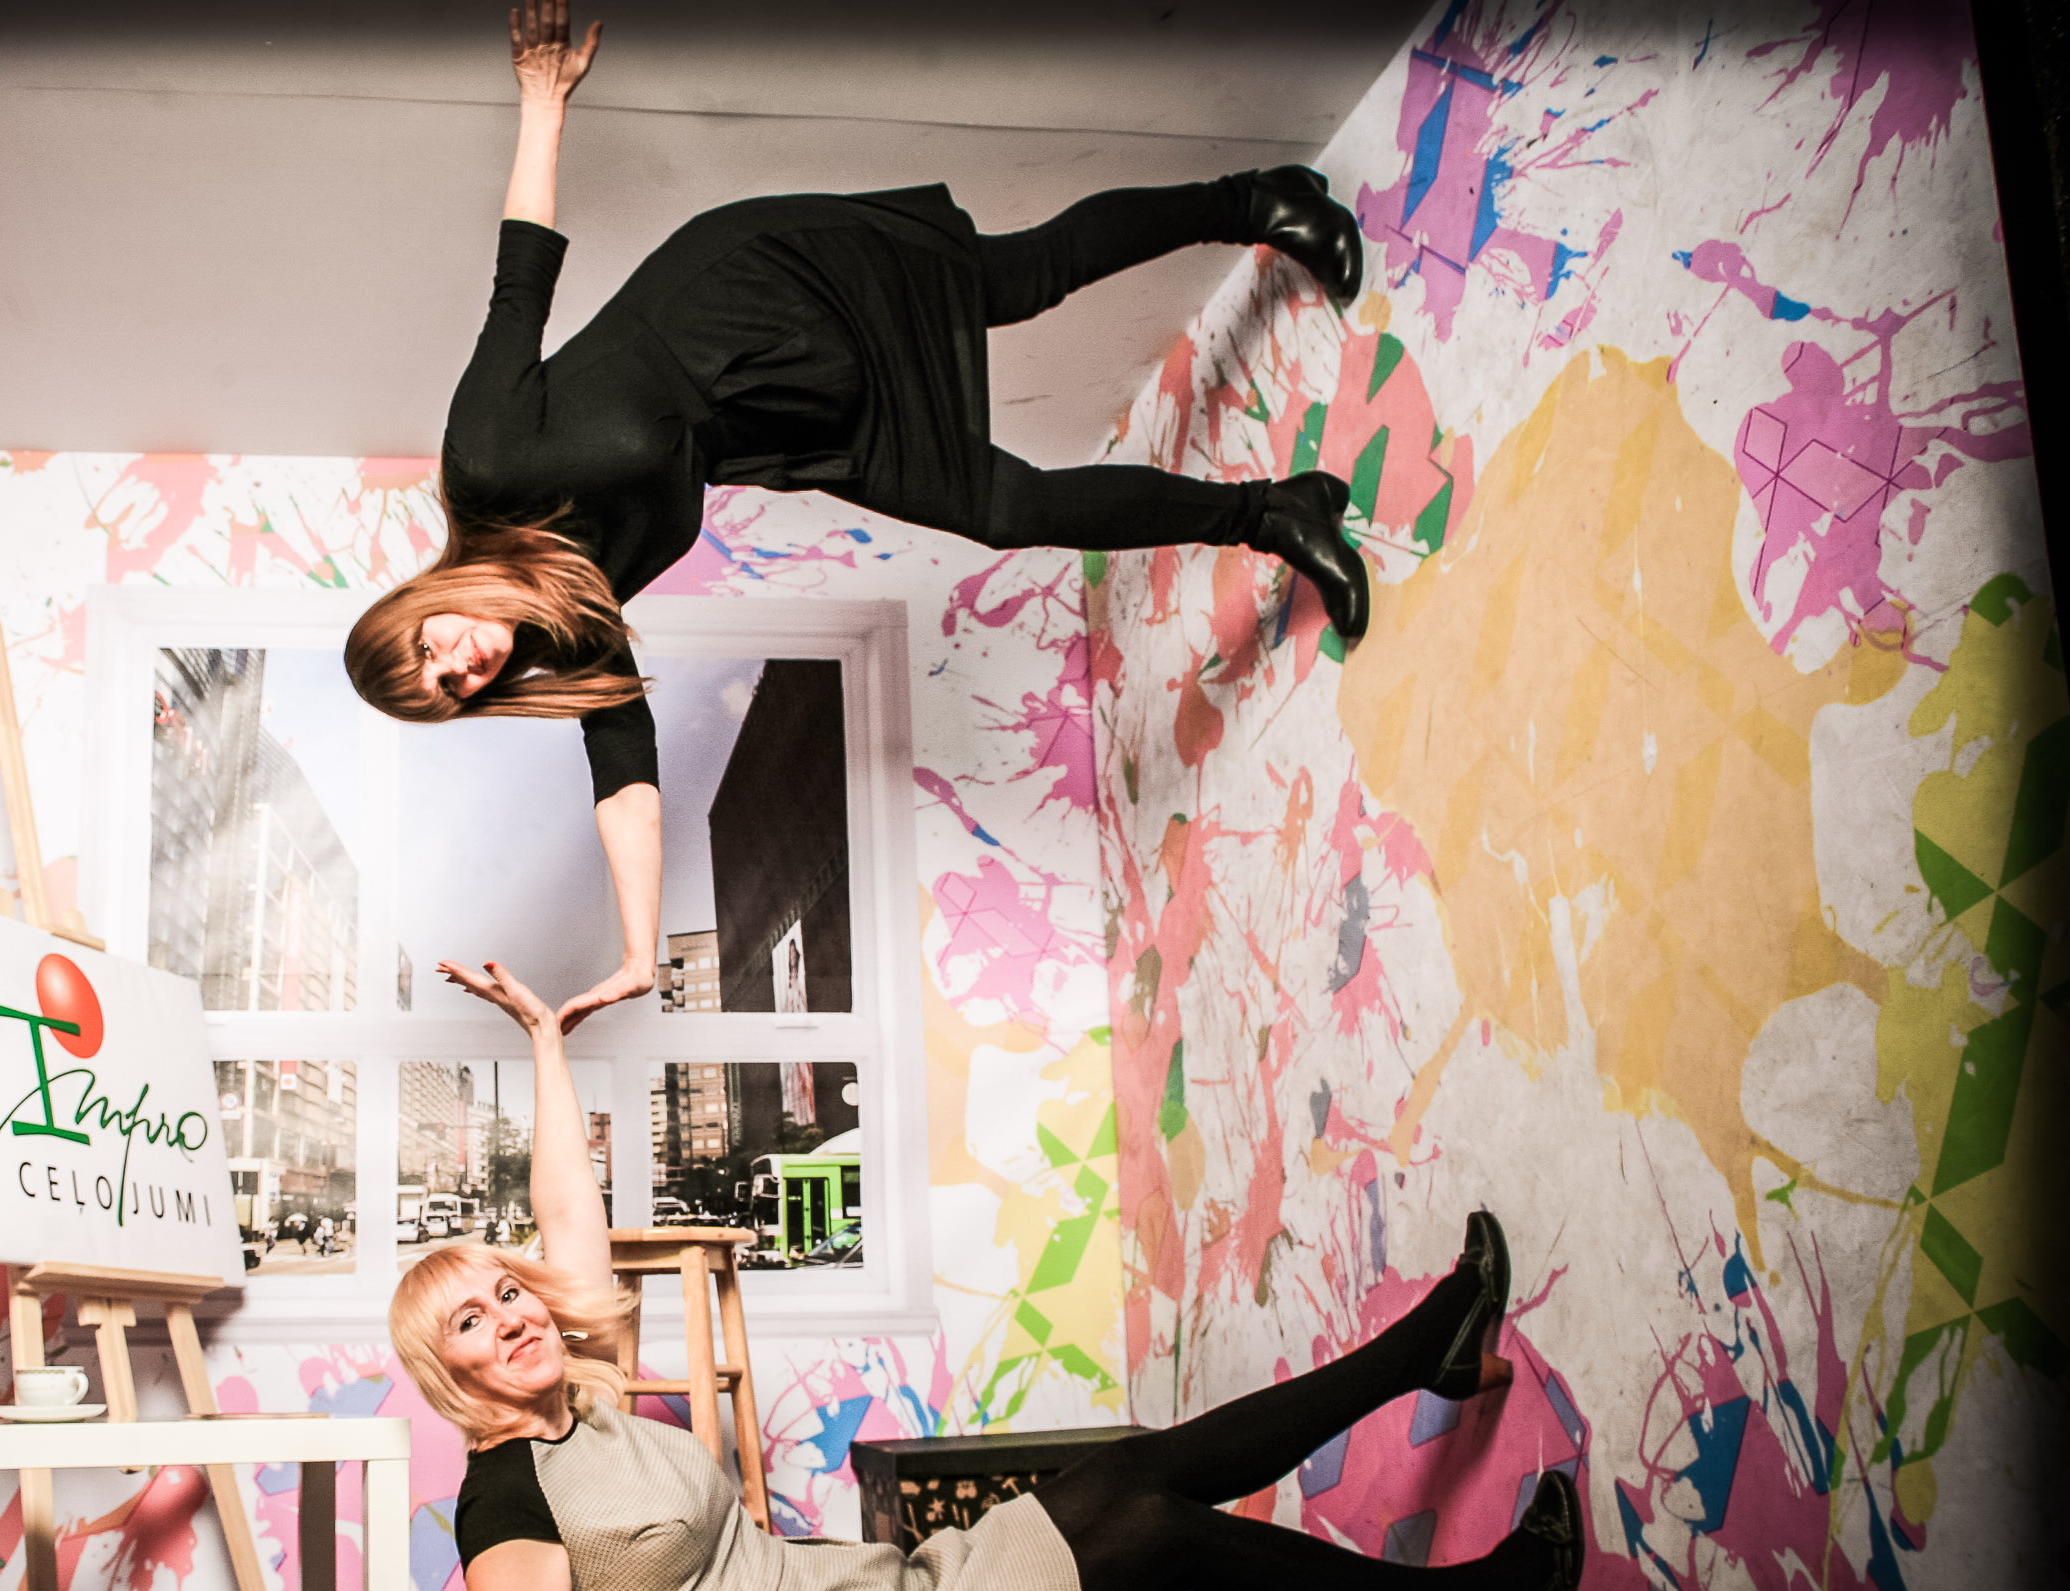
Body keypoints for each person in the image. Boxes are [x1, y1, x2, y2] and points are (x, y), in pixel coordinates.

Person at [391, 958, 1584, 1591]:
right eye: (470, 1325)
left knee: (1131, 1472)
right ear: (450, 1374)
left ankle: (1417, 1367)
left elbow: (567, 1212)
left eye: (507, 1290)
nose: (511, 1317)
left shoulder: (584, 1397)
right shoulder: (507, 1503)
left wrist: (545, 1040)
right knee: (1156, 1529)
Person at [348, 5, 1378, 1029]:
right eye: (450, 689)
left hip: (752, 292)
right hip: (785, 421)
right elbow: (624, 780)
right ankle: (1277, 513)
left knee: (1015, 279)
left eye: (430, 647)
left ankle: (1258, 200)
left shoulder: (485, 463)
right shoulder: (570, 632)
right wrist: (634, 951)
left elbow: (519, 282)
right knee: (1008, 508)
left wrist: (541, 102)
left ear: (420, 602)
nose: (459, 664)